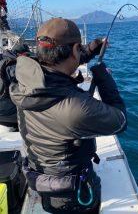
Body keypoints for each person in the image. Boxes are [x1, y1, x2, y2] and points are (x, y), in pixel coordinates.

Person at [10, 18, 127, 213]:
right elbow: (120, 121)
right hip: (73, 196)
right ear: (73, 50)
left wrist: (89, 50)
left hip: (42, 179)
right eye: (79, 49)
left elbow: (58, 64)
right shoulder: (76, 108)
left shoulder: (25, 78)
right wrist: (104, 77)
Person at [0, 43, 34, 131]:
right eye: (27, 55)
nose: (28, 58)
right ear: (19, 54)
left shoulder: (3, 62)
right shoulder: (14, 67)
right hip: (5, 113)